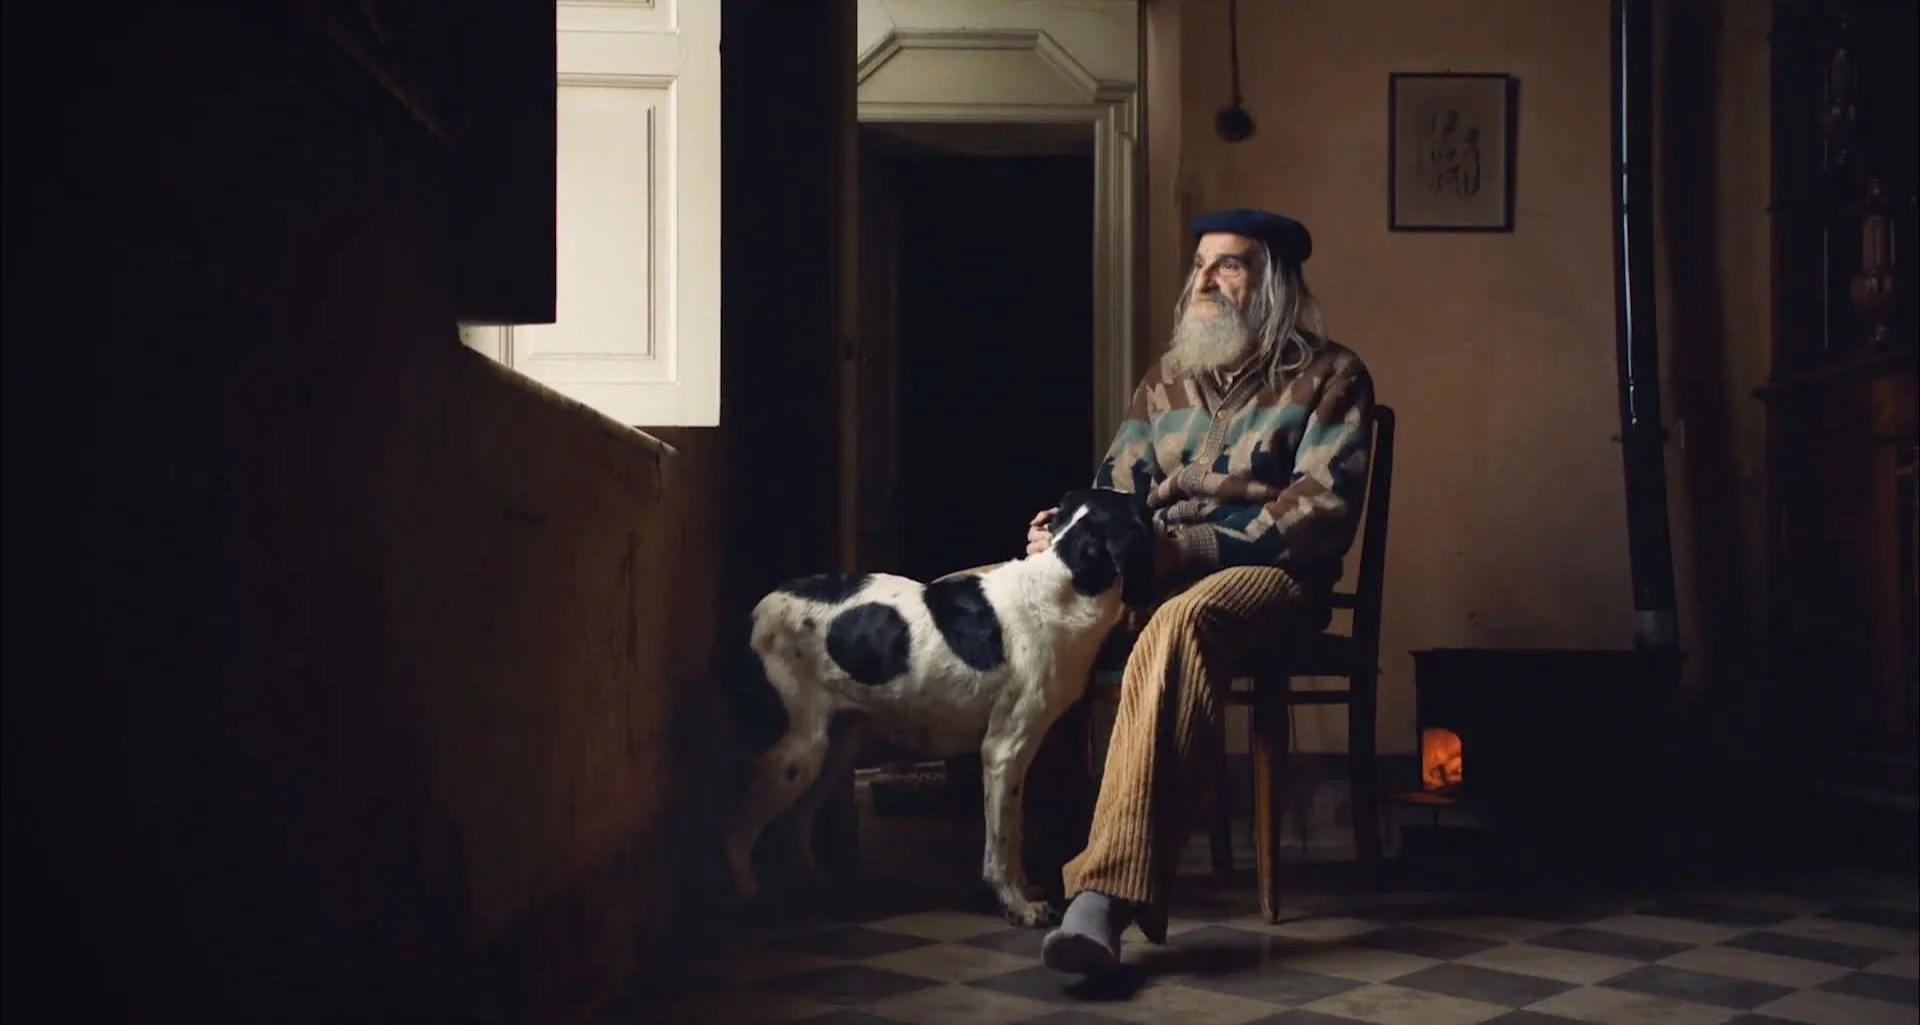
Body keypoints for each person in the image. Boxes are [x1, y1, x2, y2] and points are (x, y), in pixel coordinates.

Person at [1033, 208, 1376, 976]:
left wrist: (1186, 544)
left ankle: (1103, 898)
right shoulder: (1166, 378)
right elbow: (1115, 488)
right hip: (1158, 567)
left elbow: (1321, 511)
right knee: (1038, 610)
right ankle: (1034, 857)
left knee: (1181, 621)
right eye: (1200, 264)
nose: (1205, 280)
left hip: (1272, 575)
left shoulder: (1334, 375)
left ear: (1274, 283)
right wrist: (1066, 531)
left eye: (1230, 264)